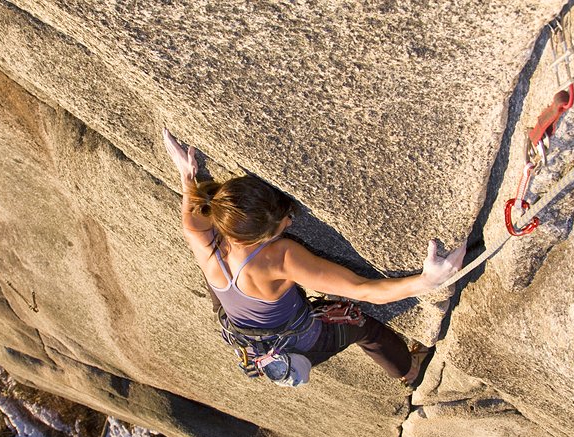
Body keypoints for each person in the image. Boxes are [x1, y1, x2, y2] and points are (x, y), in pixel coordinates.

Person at [163, 128, 465, 387]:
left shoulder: (199, 232)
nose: (290, 223)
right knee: (364, 328)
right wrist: (427, 282)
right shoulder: (280, 259)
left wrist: (188, 176)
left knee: (215, 281)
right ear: (262, 239)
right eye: (284, 222)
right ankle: (408, 370)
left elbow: (194, 201)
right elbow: (362, 290)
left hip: (241, 332)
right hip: (295, 343)